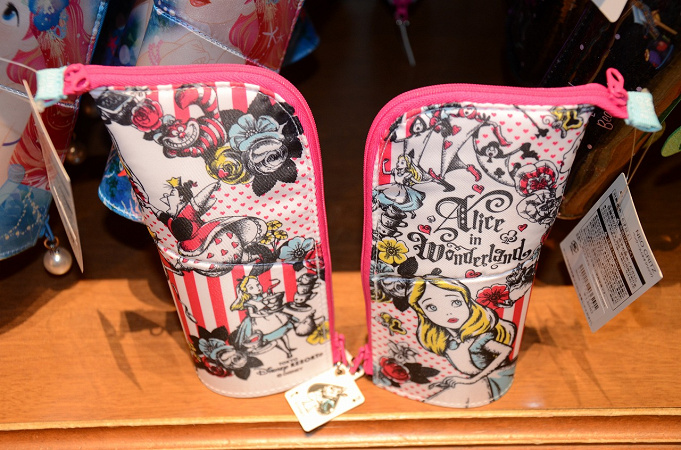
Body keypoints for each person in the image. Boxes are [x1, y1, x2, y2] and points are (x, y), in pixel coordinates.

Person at [408, 277, 516, 407]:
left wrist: (471, 381)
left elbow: (505, 350)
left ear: (467, 302)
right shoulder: (447, 342)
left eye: (456, 302)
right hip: (478, 383)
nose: (448, 312)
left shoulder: (478, 339)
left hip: (495, 380)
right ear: (423, 313)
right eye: (431, 307)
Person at [231, 276, 295, 358]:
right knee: (275, 336)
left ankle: (288, 347)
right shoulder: (250, 302)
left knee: (283, 332)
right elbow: (252, 314)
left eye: (258, 284)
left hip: (270, 316)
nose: (257, 287)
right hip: (259, 321)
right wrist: (262, 315)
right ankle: (287, 352)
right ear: (246, 291)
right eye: (251, 287)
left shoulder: (262, 296)